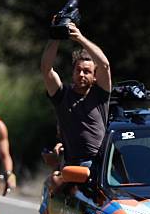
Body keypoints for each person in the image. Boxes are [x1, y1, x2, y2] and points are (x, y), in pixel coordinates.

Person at [40, 22, 111, 167]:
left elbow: (104, 65)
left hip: (99, 164)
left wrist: (79, 37)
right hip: (72, 164)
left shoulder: (100, 94)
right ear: (72, 72)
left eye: (87, 71)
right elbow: (46, 68)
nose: (81, 74)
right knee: (53, 182)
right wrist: (56, 34)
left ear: (95, 76)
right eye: (78, 70)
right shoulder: (61, 94)